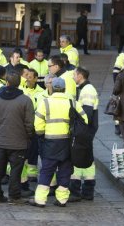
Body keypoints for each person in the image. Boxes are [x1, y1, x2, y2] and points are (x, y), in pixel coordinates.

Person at [29, 77, 88, 207]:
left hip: (49, 142)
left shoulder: (45, 102)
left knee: (46, 170)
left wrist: (41, 134)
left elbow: (38, 123)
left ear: (52, 88)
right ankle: (62, 199)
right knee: (65, 170)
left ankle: (40, 199)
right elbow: (85, 120)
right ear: (64, 88)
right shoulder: (72, 102)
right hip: (67, 142)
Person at [0, 71, 35, 204]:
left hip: (2, 140)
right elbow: (29, 123)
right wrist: (28, 136)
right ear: (19, 84)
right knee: (16, 170)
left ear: (7, 83)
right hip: (19, 142)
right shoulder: (26, 100)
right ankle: (14, 195)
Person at [69, 67, 99, 202]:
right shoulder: (86, 88)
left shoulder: (87, 90)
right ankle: (88, 191)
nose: (73, 77)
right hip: (87, 132)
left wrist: (77, 131)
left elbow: (86, 115)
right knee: (87, 161)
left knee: (76, 160)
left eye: (74, 74)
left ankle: (75, 191)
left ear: (80, 75)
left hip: (83, 132)